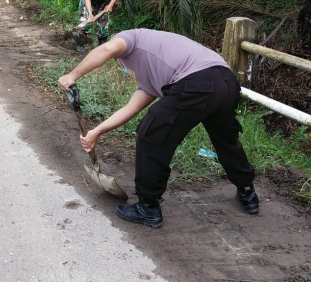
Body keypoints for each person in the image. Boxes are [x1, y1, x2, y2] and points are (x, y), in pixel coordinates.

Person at [57, 29, 259, 228]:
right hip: (226, 83)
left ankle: (148, 207)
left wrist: (73, 75)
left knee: (151, 135)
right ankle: (247, 191)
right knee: (226, 140)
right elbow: (130, 108)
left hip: (196, 82)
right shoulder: (152, 77)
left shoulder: (131, 38)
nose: (122, 65)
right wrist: (96, 132)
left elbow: (107, 48)